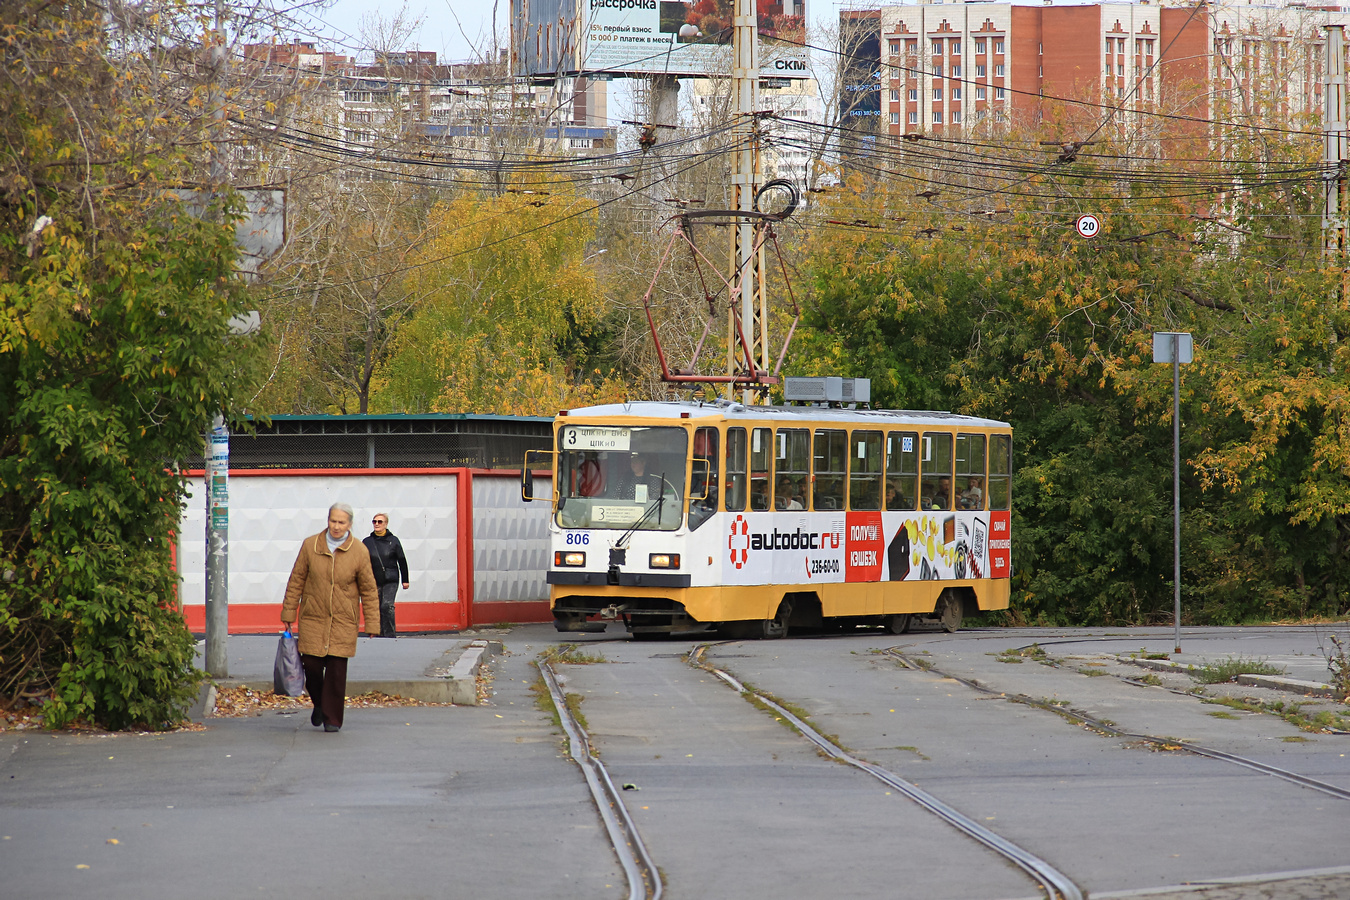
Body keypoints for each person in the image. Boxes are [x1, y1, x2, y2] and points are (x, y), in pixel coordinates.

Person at [281, 503, 380, 733]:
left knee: (336, 672)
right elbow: (296, 580)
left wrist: (372, 622)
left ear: (350, 524)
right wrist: (288, 612)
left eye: (341, 522)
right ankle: (319, 704)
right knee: (312, 667)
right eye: (333, 521)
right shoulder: (310, 545)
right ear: (328, 521)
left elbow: (369, 589)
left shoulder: (359, 550)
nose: (336, 526)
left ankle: (332, 719)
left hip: (344, 620)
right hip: (313, 617)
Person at [363, 513, 410, 637]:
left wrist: (405, 580)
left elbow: (402, 560)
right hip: (373, 579)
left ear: (386, 524)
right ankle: (378, 634)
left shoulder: (393, 541)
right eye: (374, 522)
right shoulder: (367, 542)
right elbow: (361, 561)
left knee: (386, 605)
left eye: (380, 522)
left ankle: (389, 635)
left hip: (391, 578)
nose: (377, 524)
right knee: (376, 607)